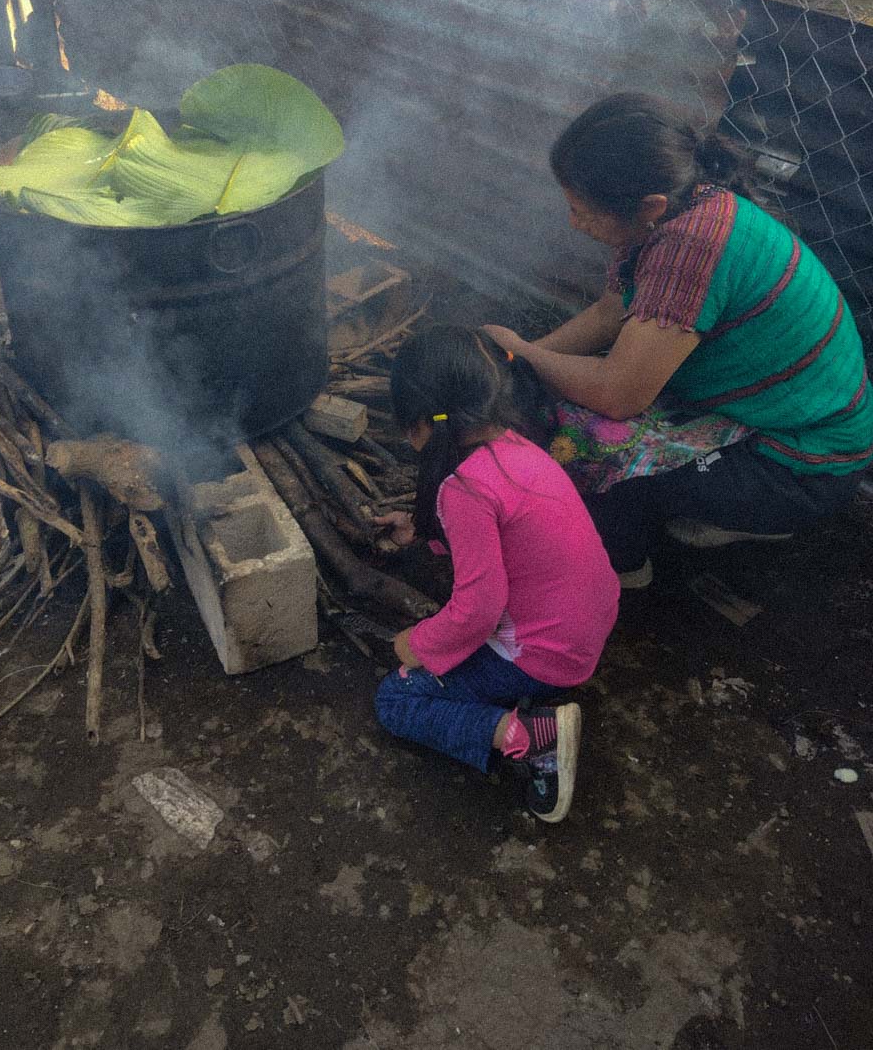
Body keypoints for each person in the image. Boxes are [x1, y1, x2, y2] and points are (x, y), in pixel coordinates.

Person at [484, 93, 873, 587]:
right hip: (782, 417)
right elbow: (610, 312)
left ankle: (620, 571)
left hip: (802, 466)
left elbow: (619, 395)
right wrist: (514, 357)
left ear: (650, 206)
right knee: (567, 387)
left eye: (583, 212)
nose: (574, 223)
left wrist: (521, 351)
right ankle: (702, 504)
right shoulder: (685, 205)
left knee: (585, 445)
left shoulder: (689, 247)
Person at [373, 326, 620, 823]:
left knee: (396, 697)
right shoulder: (515, 447)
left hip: (545, 654)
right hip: (589, 625)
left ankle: (529, 736)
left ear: (420, 423)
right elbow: (502, 534)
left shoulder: (464, 488)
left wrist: (418, 644)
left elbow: (479, 611)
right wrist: (422, 533)